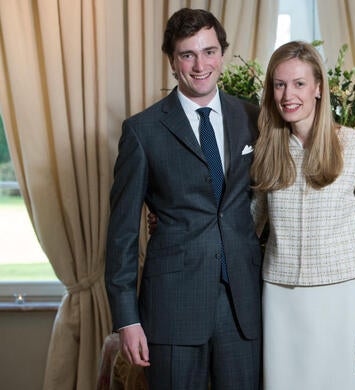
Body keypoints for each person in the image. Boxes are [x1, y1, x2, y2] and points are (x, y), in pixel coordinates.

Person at [105, 8, 262, 390]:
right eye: (187, 55)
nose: (200, 64)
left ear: (222, 54)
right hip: (172, 307)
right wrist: (127, 319)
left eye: (209, 51)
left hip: (243, 305)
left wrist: (348, 144)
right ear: (173, 63)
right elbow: (122, 234)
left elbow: (302, 144)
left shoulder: (254, 117)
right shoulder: (142, 131)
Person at [251, 41, 355, 389]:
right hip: (279, 299)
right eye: (279, 84)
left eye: (299, 83)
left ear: (318, 89)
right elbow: (246, 224)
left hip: (340, 301)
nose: (288, 94)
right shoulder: (265, 150)